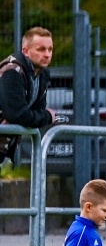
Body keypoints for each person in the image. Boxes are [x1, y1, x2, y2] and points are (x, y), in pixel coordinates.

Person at [0, 27, 58, 163]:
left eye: (50, 49)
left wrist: (39, 115)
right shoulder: (12, 71)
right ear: (26, 51)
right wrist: (47, 116)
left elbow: (37, 110)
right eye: (41, 49)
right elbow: (17, 114)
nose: (47, 54)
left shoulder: (42, 74)